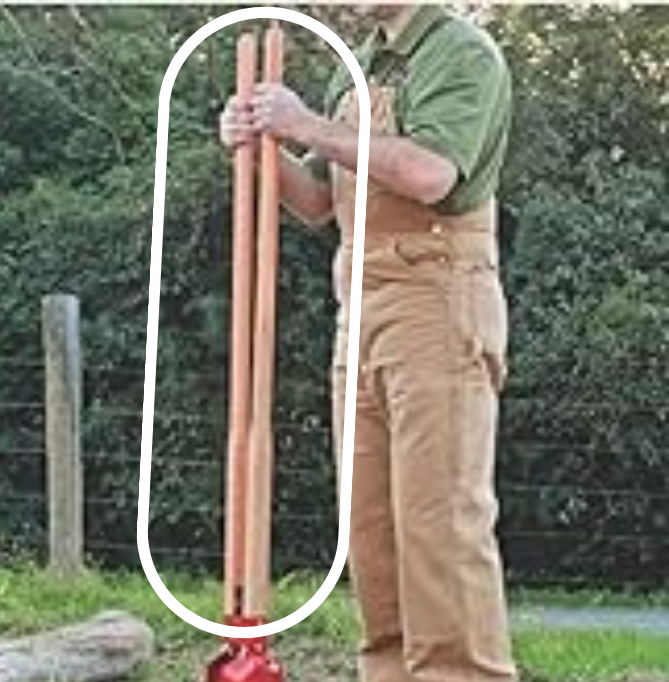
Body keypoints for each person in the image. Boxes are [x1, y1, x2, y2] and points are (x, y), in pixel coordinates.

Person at [219, 5, 516, 682]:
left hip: (437, 294)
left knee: (439, 524)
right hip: (361, 299)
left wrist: (304, 126)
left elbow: (432, 175)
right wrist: (255, 145)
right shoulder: (361, 63)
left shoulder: (460, 53)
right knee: (372, 530)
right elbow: (319, 202)